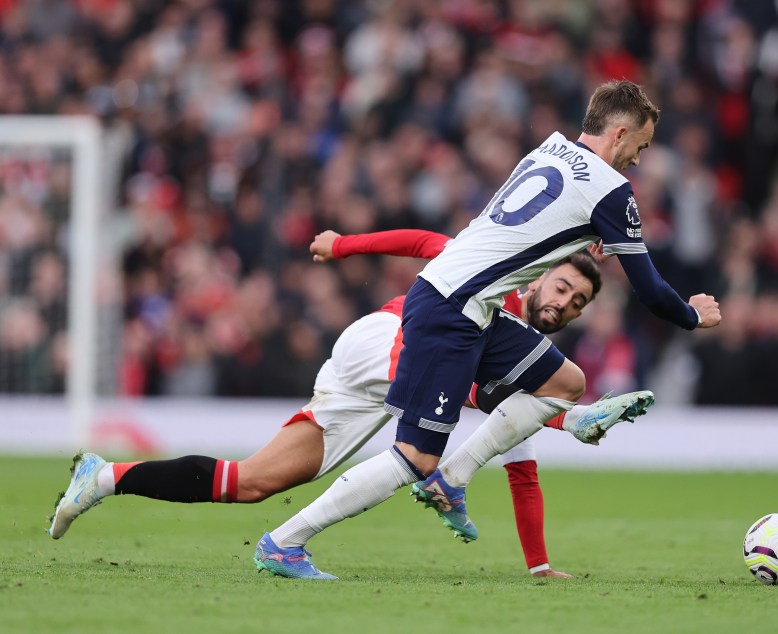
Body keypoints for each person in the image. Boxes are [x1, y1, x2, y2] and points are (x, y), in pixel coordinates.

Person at [253, 80, 721, 578]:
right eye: (641, 147)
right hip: (451, 309)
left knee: (565, 384)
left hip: (469, 305)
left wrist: (594, 235)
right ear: (620, 133)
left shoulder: (549, 149)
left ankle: (454, 479)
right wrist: (693, 314)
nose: (638, 160)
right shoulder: (613, 192)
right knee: (413, 458)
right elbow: (649, 289)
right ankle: (284, 541)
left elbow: (534, 225)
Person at [50, 228, 650, 579]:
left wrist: (539, 567)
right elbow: (422, 241)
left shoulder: (522, 358)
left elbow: (519, 462)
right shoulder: (495, 278)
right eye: (563, 287)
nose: (566, 303)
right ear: (540, 278)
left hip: (363, 388)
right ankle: (461, 472)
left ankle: (102, 478)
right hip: (385, 339)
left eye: (578, 302)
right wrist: (343, 246)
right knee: (441, 439)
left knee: (253, 481)